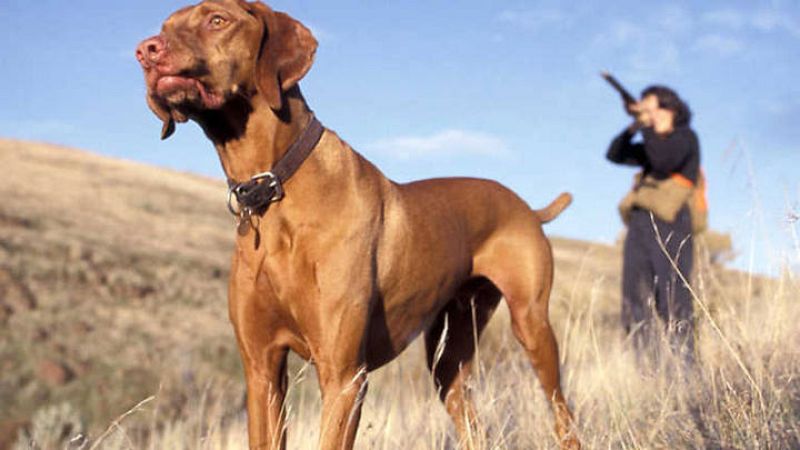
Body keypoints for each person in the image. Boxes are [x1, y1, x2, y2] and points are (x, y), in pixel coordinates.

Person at [606, 85, 699, 367]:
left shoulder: (685, 138)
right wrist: (635, 125)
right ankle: (647, 371)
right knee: (635, 298)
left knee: (673, 299)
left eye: (650, 106)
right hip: (639, 224)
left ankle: (685, 371)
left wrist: (646, 126)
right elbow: (615, 153)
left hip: (671, 223)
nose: (646, 112)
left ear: (669, 108)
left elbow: (663, 161)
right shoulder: (651, 142)